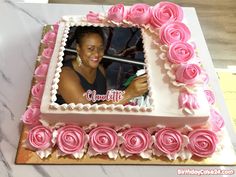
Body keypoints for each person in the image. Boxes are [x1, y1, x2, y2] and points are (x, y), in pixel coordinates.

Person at [56, 26, 148, 105]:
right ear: (78, 48)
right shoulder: (64, 75)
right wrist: (129, 93)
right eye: (90, 49)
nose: (96, 54)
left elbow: (102, 102)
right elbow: (87, 114)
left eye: (100, 48)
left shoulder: (100, 69)